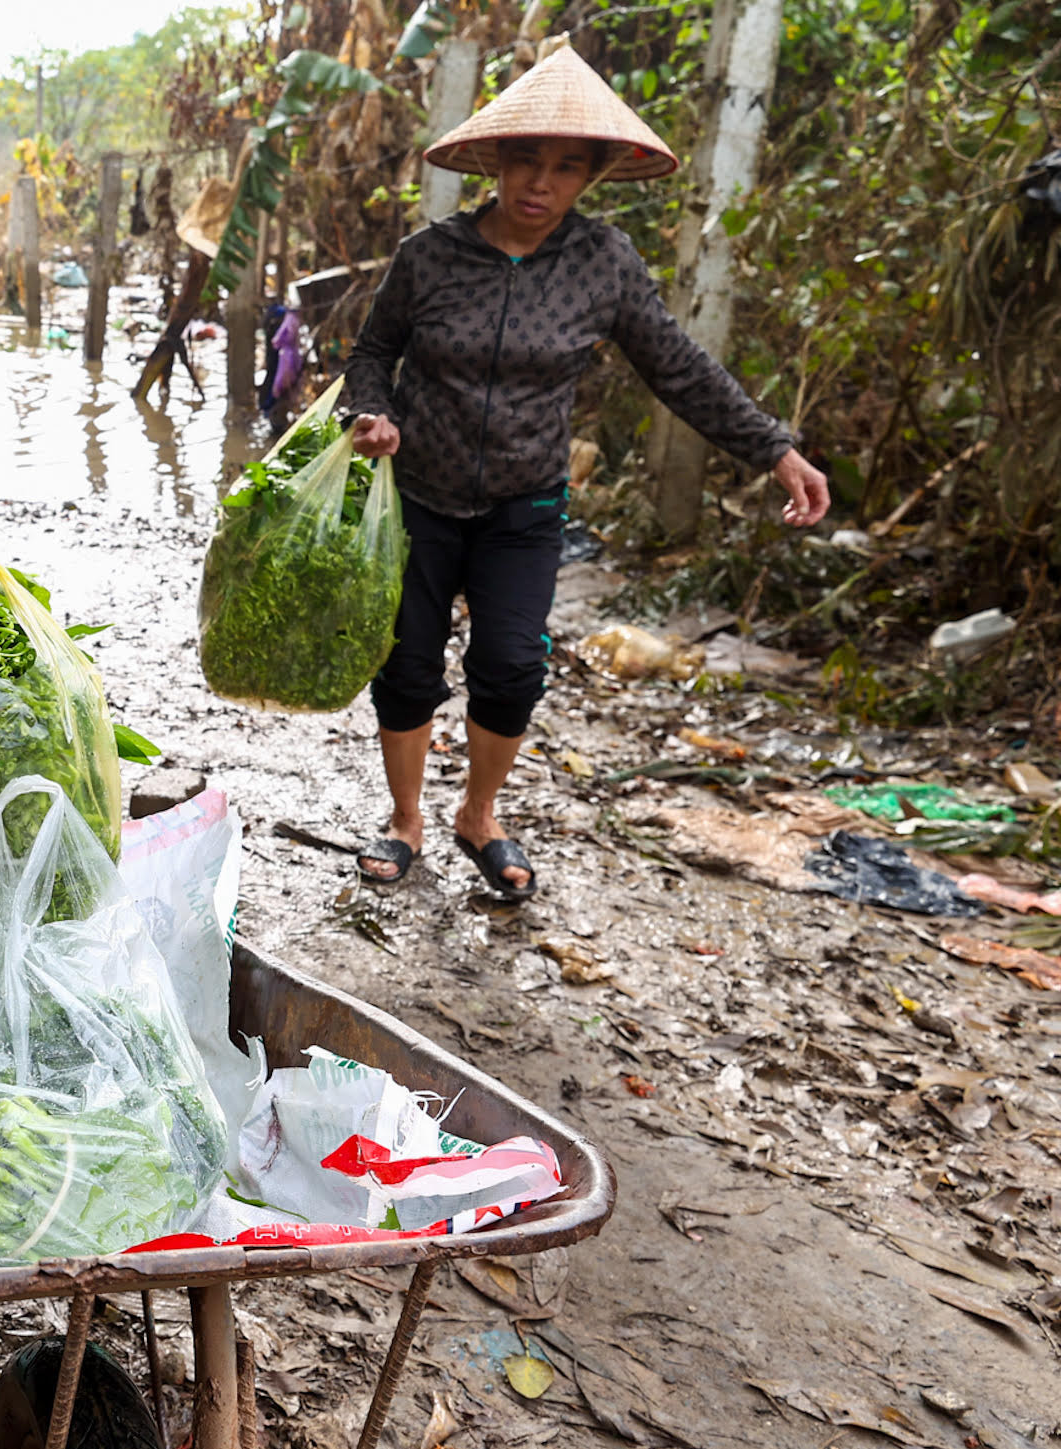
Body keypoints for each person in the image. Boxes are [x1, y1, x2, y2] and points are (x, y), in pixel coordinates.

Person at [342, 40, 829, 898]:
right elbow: (373, 353)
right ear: (496, 160)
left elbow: (678, 368)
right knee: (407, 661)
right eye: (527, 160)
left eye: (567, 167)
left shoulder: (603, 264)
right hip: (417, 496)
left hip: (524, 506)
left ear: (593, 176)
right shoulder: (430, 256)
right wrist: (371, 412)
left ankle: (478, 815)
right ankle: (407, 818)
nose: (541, 183)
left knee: (511, 666)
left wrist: (774, 449)